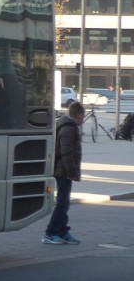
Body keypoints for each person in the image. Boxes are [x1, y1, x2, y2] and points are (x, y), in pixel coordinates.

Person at [43, 99, 85, 245]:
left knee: (64, 202)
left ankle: (62, 231)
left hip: (64, 169)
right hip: (63, 170)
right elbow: (66, 152)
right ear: (79, 115)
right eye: (82, 117)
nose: (83, 120)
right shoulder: (68, 128)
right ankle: (50, 232)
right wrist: (72, 172)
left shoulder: (67, 125)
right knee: (62, 203)